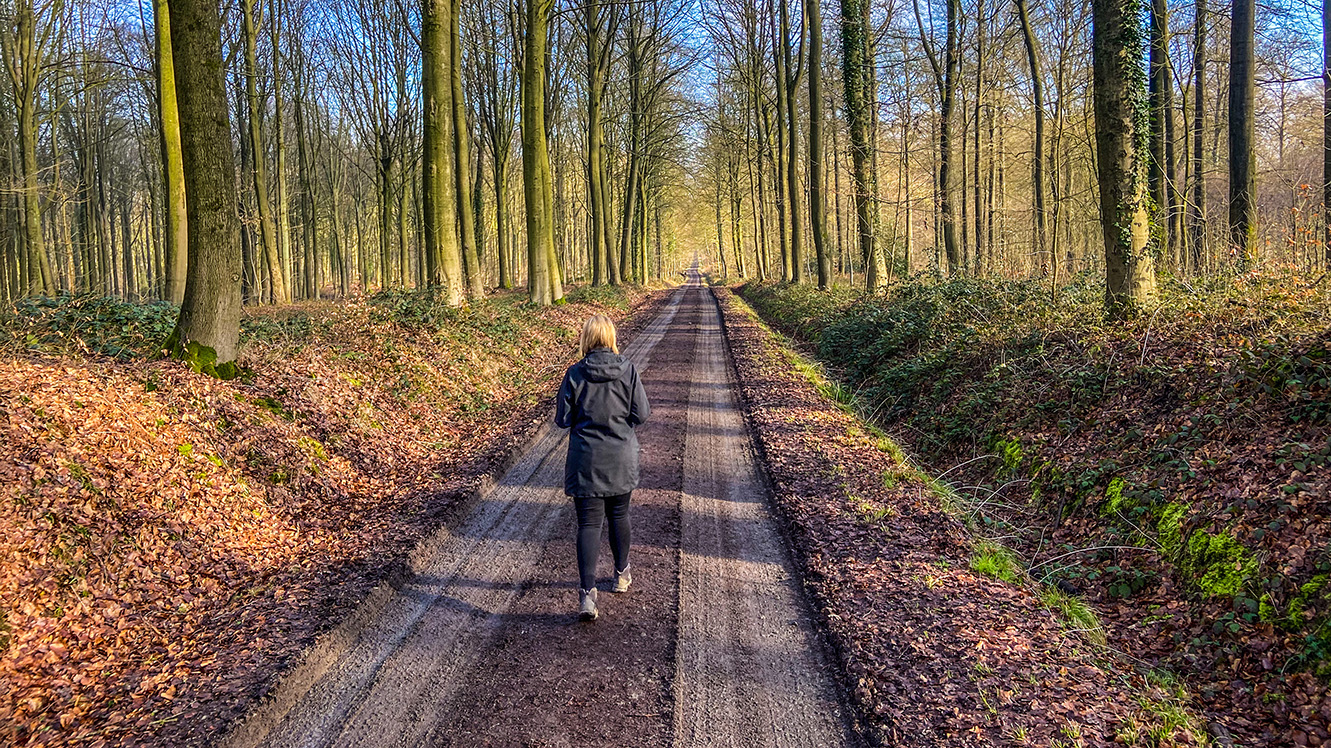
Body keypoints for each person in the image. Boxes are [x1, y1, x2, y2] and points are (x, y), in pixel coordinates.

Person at [555, 314, 650, 621]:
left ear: (585, 339)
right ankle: (621, 575)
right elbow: (642, 413)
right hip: (621, 456)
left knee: (589, 524)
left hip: (586, 459)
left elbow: (562, 419)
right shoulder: (628, 370)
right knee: (619, 515)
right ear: (610, 338)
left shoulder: (574, 374)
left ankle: (587, 596)